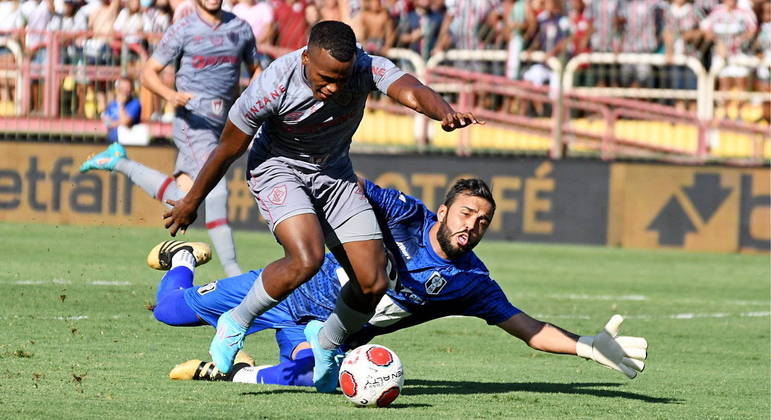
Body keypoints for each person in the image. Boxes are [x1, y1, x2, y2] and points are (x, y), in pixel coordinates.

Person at [161, 20, 484, 393]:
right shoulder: (271, 86)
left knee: (373, 280)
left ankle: (327, 344)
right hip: (278, 169)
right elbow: (227, 150)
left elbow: (408, 88)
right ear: (305, 57)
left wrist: (442, 110)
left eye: (341, 80)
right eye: (325, 78)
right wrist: (192, 201)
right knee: (307, 258)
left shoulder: (364, 67)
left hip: (334, 173)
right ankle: (235, 322)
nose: (333, 88)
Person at [147, 178, 648, 387]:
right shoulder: (406, 214)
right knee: (169, 312)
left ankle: (229, 375)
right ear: (445, 209)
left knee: (316, 379)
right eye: (467, 213)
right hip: (290, 289)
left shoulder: (470, 282)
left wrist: (587, 346)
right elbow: (352, 186)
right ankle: (184, 260)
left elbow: (527, 328)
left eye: (483, 222)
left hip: (328, 331)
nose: (472, 225)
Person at [79, 0, 260, 277]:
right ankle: (234, 272)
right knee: (217, 190)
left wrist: (255, 104)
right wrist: (170, 95)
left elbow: (256, 70)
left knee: (181, 201)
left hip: (223, 124)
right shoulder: (183, 29)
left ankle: (120, 162)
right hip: (192, 122)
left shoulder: (240, 28)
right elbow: (147, 73)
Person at [102, 76, 141, 143]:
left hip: (127, 142)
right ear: (118, 89)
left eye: (127, 87)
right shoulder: (112, 104)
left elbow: (126, 122)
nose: (125, 90)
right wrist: (119, 123)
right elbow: (106, 122)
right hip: (111, 141)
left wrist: (121, 104)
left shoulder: (135, 103)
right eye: (123, 87)